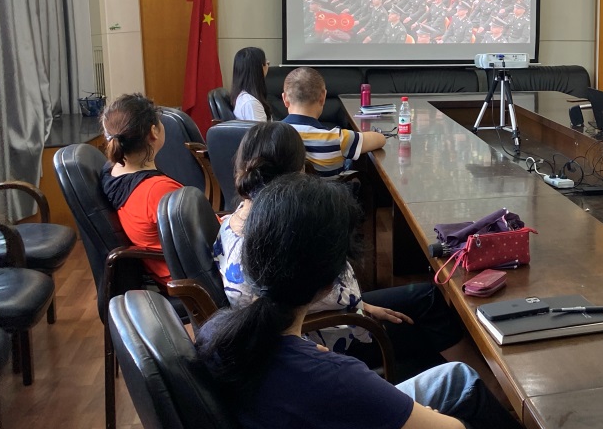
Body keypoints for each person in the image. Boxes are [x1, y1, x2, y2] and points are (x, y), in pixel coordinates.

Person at [196, 174, 565, 429]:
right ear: (331, 279)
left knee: (457, 379)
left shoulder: (222, 333)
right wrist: (415, 418)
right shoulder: (328, 377)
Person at [215, 121, 515, 399]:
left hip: (302, 326)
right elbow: (334, 295)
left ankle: (476, 387)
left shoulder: (231, 222)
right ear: (297, 171)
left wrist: (362, 304)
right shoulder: (285, 234)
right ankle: (487, 393)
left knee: (425, 299)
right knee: (428, 317)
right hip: (326, 335)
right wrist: (359, 305)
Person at [99, 93, 182, 285]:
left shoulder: (111, 171)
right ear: (154, 132)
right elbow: (207, 235)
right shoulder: (157, 191)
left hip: (164, 269)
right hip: (188, 277)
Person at [281, 66, 386, 176]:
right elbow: (380, 139)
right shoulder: (337, 138)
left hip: (281, 187)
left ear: (285, 99)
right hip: (327, 188)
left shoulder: (270, 136)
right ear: (323, 97)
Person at [229, 46, 271, 121]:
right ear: (260, 68)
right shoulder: (251, 103)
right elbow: (261, 129)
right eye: (266, 63)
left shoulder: (243, 97)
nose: (268, 64)